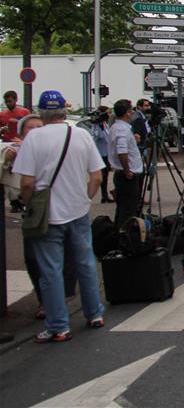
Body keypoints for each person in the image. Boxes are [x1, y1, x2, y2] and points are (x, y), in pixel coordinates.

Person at [12, 90, 105, 343]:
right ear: (64, 110)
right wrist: (85, 198)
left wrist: (30, 203)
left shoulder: (34, 139)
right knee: (85, 262)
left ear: (42, 112)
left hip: (48, 215)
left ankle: (58, 326)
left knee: (51, 270)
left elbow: (27, 183)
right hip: (78, 209)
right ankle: (94, 313)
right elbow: (96, 176)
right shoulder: (81, 135)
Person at [108, 99, 144, 226]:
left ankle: (119, 235)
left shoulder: (117, 127)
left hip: (122, 173)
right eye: (132, 110)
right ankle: (126, 238)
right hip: (128, 174)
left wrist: (133, 140)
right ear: (128, 113)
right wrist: (127, 170)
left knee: (123, 208)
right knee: (129, 210)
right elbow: (121, 151)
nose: (133, 112)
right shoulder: (122, 129)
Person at [90, 106, 112, 203]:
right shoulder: (97, 125)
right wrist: (101, 127)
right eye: (107, 113)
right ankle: (103, 195)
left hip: (106, 153)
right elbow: (101, 136)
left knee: (106, 175)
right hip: (100, 154)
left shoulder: (104, 123)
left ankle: (105, 195)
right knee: (101, 176)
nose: (109, 115)